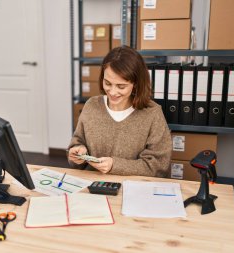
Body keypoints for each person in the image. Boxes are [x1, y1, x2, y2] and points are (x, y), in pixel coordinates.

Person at [67, 46, 172, 177]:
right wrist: (77, 153)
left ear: (136, 84)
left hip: (133, 190)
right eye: (107, 83)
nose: (112, 92)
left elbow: (158, 166)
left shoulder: (152, 114)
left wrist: (115, 166)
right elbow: (77, 144)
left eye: (121, 86)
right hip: (91, 187)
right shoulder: (91, 105)